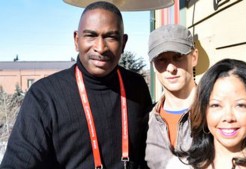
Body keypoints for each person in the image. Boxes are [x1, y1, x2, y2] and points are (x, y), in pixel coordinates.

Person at [0, 1, 152, 169]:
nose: (100, 48)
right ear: (76, 40)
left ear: (123, 43)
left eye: (111, 37)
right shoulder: (44, 96)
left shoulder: (136, 87)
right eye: (91, 36)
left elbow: (149, 155)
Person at [145, 24, 246, 169]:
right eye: (161, 60)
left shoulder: (219, 104)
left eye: (178, 57)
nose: (171, 68)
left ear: (194, 57)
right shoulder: (145, 121)